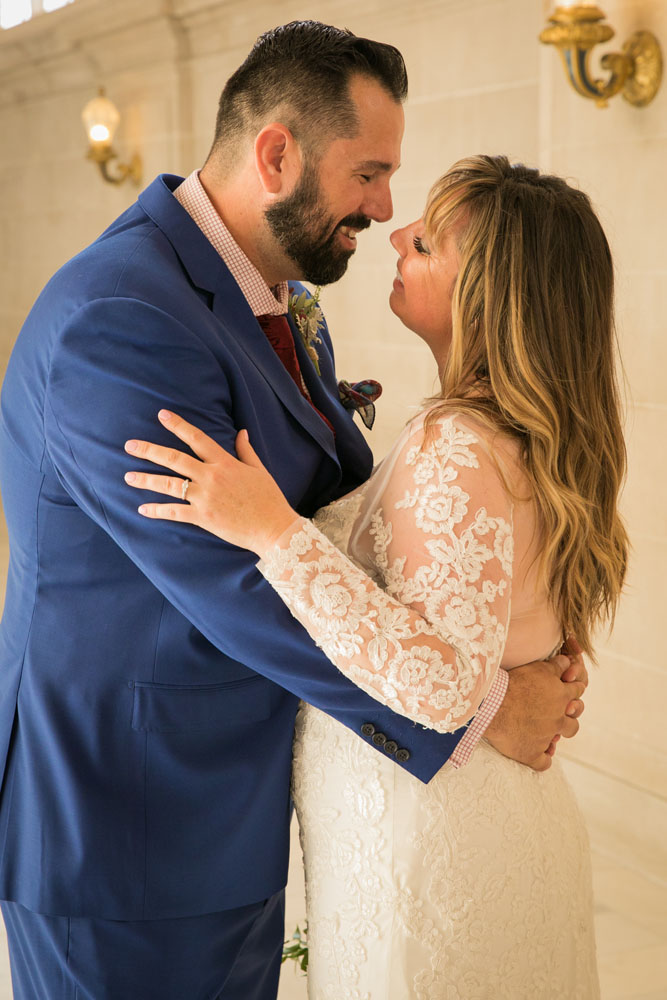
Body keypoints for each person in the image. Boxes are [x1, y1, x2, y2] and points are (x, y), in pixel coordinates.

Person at [0, 17, 585, 998]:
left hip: (232, 803)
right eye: (369, 172)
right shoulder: (124, 317)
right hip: (128, 821)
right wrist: (480, 710)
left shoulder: (267, 295)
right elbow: (233, 584)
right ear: (276, 152)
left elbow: (311, 509)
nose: (386, 206)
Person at [125, 154, 628, 998]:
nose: (395, 233)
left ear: (487, 295)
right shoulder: (529, 438)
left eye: (427, 241)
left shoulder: (459, 446)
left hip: (431, 836)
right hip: (492, 816)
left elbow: (438, 684)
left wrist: (272, 531)